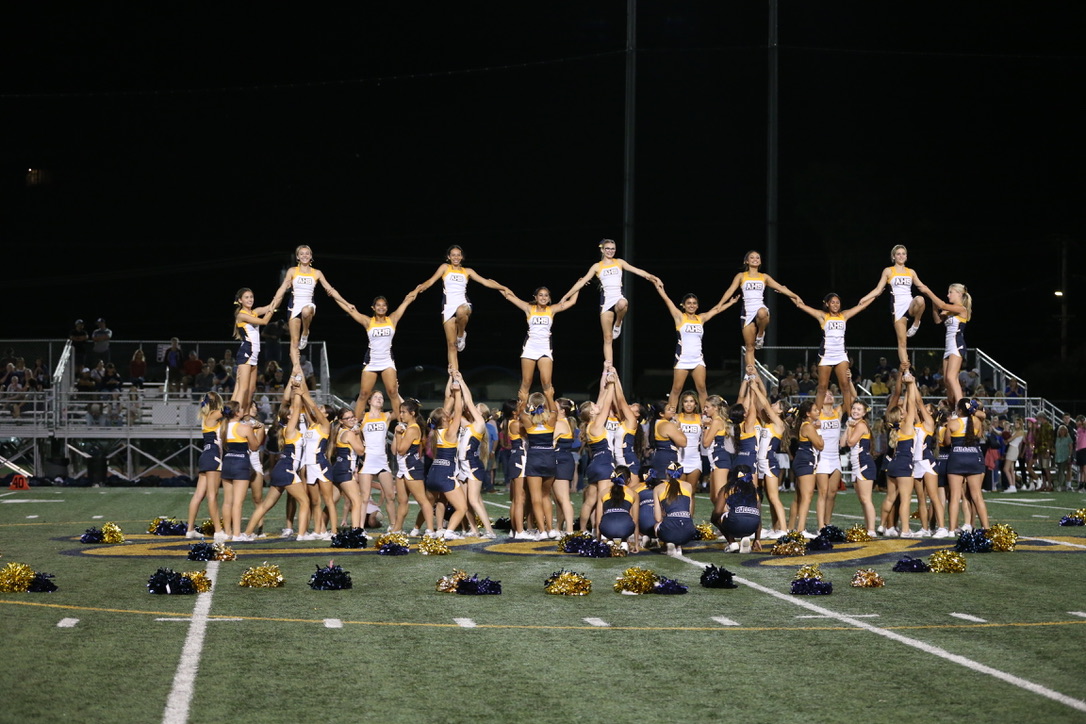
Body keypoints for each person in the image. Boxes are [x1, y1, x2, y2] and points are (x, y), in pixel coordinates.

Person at [559, 239, 659, 369]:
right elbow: (581, 283)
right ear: (602, 250)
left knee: (623, 303)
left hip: (618, 297)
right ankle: (609, 367)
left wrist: (653, 277)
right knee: (608, 337)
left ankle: (618, 323)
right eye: (607, 248)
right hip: (606, 302)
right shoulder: (597, 266)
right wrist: (565, 296)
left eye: (613, 248)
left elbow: (637, 271)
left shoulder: (619, 262)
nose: (610, 251)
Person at [414, 245, 507, 371]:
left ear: (462, 257)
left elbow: (485, 282)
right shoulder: (445, 267)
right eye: (453, 255)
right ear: (449, 257)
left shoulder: (467, 271)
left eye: (458, 255)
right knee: (451, 345)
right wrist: (417, 290)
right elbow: (430, 281)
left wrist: (503, 288)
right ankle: (455, 376)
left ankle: (461, 335)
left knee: (461, 311)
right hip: (448, 307)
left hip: (463, 304)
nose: (456, 257)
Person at [241, 381, 313, 540]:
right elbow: (295, 407)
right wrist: (298, 392)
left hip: (281, 469)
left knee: (265, 505)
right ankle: (302, 535)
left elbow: (296, 409)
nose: (297, 413)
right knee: (305, 501)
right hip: (287, 468)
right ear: (289, 417)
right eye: (293, 412)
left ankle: (246, 534)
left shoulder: (291, 429)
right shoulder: (290, 429)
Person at [651, 279, 739, 409]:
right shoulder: (680, 317)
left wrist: (730, 303)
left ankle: (706, 415)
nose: (691, 305)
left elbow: (716, 310)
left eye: (694, 303)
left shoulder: (701, 318)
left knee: (702, 388)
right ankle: (671, 415)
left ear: (697, 306)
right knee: (676, 389)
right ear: (683, 305)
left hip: (698, 359)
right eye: (689, 303)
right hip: (682, 359)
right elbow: (667, 301)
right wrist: (659, 288)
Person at [269, 244, 350, 380]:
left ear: (311, 256)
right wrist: (273, 303)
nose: (305, 256)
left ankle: (306, 331)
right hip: (294, 305)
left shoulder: (317, 273)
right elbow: (283, 288)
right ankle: (296, 368)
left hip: (308, 303)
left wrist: (346, 303)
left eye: (307, 253)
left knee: (306, 312)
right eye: (302, 253)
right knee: (294, 342)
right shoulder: (292, 271)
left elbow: (331, 290)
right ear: (297, 257)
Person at [335, 289, 420, 414]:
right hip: (372, 361)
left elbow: (406, 301)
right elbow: (350, 310)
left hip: (387, 360)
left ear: (387, 307)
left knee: (393, 392)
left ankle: (401, 421)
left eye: (384, 305)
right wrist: (334, 296)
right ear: (373, 308)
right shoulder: (368, 321)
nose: (381, 307)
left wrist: (417, 290)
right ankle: (356, 423)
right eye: (378, 305)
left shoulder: (392, 319)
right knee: (363, 394)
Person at [714, 250, 801, 370]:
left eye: (757, 258)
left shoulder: (764, 277)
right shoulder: (741, 276)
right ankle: (751, 373)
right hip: (747, 312)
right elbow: (730, 290)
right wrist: (720, 303)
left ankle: (760, 334)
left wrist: (795, 296)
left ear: (760, 261)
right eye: (752, 257)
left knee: (762, 312)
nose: (755, 259)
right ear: (746, 261)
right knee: (749, 347)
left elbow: (780, 287)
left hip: (759, 306)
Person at [791, 292, 874, 411]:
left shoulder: (844, 315)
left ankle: (850, 416)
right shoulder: (823, 316)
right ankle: (817, 415)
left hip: (841, 354)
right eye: (833, 302)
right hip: (826, 354)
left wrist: (876, 294)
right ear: (827, 304)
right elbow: (801, 305)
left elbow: (862, 306)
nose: (835, 305)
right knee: (822, 387)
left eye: (837, 302)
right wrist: (789, 294)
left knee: (845, 385)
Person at [499, 285, 579, 403]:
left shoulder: (551, 309)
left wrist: (579, 286)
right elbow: (509, 296)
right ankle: (521, 410)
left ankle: (551, 409)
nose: (543, 297)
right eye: (540, 295)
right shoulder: (529, 308)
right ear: (535, 297)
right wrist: (498, 286)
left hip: (545, 348)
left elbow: (572, 302)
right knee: (526, 382)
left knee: (546, 382)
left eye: (546, 295)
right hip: (530, 347)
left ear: (549, 298)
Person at [860, 245, 932, 366]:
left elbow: (922, 287)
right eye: (898, 254)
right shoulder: (888, 271)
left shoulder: (911, 272)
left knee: (920, 299)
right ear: (893, 256)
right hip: (898, 307)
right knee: (902, 342)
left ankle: (916, 323)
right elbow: (878, 289)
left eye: (903, 254)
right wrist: (864, 298)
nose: (901, 256)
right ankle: (906, 370)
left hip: (910, 304)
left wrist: (935, 299)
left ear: (906, 256)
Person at [424, 370, 472, 540]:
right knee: (462, 508)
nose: (448, 414)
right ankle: (449, 531)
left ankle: (435, 529)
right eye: (446, 414)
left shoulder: (435, 432)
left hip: (433, 473)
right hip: (445, 474)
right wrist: (458, 392)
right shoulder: (450, 432)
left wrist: (451, 378)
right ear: (444, 418)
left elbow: (447, 401)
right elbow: (458, 410)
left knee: (436, 502)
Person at [578, 370, 619, 534]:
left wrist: (605, 379)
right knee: (603, 499)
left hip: (594, 464)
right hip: (604, 463)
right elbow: (606, 404)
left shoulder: (589, 426)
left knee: (590, 501)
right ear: (591, 413)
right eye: (594, 406)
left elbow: (601, 399)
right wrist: (612, 384)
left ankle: (583, 530)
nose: (597, 406)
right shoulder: (596, 424)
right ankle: (600, 532)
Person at [218, 398, 265, 540]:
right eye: (240, 409)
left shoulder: (222, 427)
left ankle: (228, 532)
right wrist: (255, 430)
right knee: (238, 503)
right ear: (237, 413)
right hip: (241, 463)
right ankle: (237, 534)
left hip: (227, 462)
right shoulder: (245, 428)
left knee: (227, 502)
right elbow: (254, 446)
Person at [456, 378, 496, 538]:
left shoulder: (479, 424)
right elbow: (457, 410)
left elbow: (468, 400)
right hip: (463, 465)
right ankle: (474, 530)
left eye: (476, 408)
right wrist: (455, 387)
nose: (472, 408)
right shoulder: (468, 425)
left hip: (472, 464)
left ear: (481, 414)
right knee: (466, 501)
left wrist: (461, 380)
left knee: (474, 500)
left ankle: (489, 531)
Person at [922, 282, 973, 408]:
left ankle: (962, 406)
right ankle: (952, 405)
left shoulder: (961, 309)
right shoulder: (949, 311)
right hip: (948, 347)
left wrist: (929, 292)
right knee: (946, 380)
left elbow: (942, 305)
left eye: (951, 292)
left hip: (957, 344)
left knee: (951, 377)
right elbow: (937, 320)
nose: (948, 295)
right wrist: (933, 304)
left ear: (959, 294)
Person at [945, 397, 991, 532]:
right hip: (974, 458)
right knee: (977, 496)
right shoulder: (976, 421)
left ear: (959, 410)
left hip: (957, 459)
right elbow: (980, 435)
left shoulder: (952, 423)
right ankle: (986, 528)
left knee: (954, 497)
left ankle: (951, 530)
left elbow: (947, 442)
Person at [392, 397, 435, 535]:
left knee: (422, 500)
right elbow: (394, 450)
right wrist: (397, 433)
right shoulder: (406, 428)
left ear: (412, 413)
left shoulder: (413, 429)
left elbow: (401, 450)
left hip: (412, 468)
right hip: (402, 469)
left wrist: (399, 435)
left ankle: (430, 530)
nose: (401, 415)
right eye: (400, 412)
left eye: (403, 412)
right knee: (402, 501)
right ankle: (397, 530)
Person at [520, 389, 559, 539]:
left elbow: (521, 412)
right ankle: (551, 529)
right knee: (545, 496)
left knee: (535, 498)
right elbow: (554, 410)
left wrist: (524, 400)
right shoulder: (551, 420)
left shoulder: (527, 420)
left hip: (534, 458)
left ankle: (542, 531)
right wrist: (550, 396)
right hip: (549, 457)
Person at [231, 287, 278, 412]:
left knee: (251, 390)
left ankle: (245, 415)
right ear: (240, 300)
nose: (250, 299)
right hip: (246, 352)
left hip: (254, 355)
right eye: (246, 297)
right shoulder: (241, 315)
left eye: (251, 297)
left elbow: (271, 306)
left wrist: (281, 292)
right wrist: (271, 311)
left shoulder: (254, 312)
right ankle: (233, 416)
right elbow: (264, 321)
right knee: (243, 389)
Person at [325, 407, 367, 530]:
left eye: (352, 417)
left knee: (331, 502)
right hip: (344, 470)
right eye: (347, 418)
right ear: (341, 421)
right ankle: (356, 531)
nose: (351, 419)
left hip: (338, 468)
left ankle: (321, 529)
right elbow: (361, 451)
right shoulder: (349, 433)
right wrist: (358, 434)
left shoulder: (341, 431)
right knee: (357, 501)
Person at [787, 400, 824, 538]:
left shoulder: (805, 425)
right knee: (807, 497)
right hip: (805, 462)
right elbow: (820, 445)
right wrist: (819, 430)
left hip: (802, 461)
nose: (818, 412)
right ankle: (800, 530)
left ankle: (791, 528)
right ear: (808, 413)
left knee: (798, 497)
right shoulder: (808, 426)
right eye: (815, 410)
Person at [712, 465, 762, 553]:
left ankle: (732, 543)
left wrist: (713, 520)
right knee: (750, 516)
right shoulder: (755, 491)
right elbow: (759, 516)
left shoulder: (728, 488)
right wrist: (757, 539)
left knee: (719, 516)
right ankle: (745, 537)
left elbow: (718, 511)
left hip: (735, 524)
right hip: (752, 527)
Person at [654, 463, 696, 556]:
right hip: (688, 532)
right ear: (681, 474)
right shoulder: (688, 486)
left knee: (657, 525)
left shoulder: (658, 488)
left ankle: (668, 543)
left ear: (666, 473)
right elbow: (690, 513)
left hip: (669, 531)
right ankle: (679, 546)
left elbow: (657, 518)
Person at [596, 466, 639, 552]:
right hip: (626, 529)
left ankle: (610, 541)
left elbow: (598, 519)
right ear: (629, 480)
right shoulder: (633, 494)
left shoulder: (603, 492)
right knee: (626, 517)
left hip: (606, 529)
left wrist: (598, 541)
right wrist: (636, 544)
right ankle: (623, 542)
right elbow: (635, 520)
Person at [551, 398, 578, 535]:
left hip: (561, 461)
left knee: (563, 499)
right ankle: (558, 528)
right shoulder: (562, 422)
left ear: (562, 411)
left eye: (555, 406)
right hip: (561, 459)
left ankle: (569, 531)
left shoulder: (560, 423)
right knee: (558, 499)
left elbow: (549, 440)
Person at [702, 394, 733, 505]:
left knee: (720, 497)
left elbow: (706, 443)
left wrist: (706, 427)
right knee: (714, 498)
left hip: (720, 458)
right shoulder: (715, 421)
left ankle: (728, 515)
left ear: (715, 408)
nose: (705, 410)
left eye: (707, 407)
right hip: (715, 459)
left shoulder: (716, 422)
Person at [1003, 417, 1025, 493]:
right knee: (1011, 469)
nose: (1015, 424)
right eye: (1015, 423)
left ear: (1020, 424)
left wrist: (1006, 441)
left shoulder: (1019, 432)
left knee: (1005, 469)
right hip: (1013, 448)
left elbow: (1010, 439)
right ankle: (1013, 485)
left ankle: (1011, 485)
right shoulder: (1015, 431)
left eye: (1017, 423)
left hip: (1013, 449)